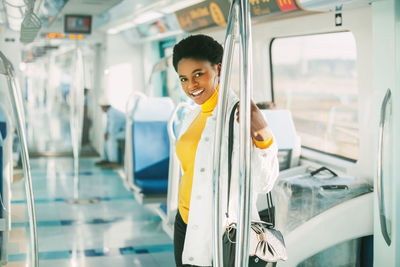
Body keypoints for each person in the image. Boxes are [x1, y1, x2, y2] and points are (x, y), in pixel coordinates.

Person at [172, 34, 279, 267]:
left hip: (217, 227)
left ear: (219, 69)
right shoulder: (193, 114)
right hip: (184, 220)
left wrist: (264, 137)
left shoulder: (238, 115)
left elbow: (264, 184)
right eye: (183, 79)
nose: (191, 86)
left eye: (198, 74)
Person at [95, 97, 126, 168]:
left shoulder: (113, 113)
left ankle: (114, 162)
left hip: (126, 133)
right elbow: (108, 125)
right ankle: (105, 159)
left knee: (111, 139)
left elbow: (113, 128)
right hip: (120, 132)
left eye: (101, 107)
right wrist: (106, 133)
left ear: (104, 107)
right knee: (105, 139)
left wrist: (108, 134)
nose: (101, 109)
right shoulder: (110, 112)